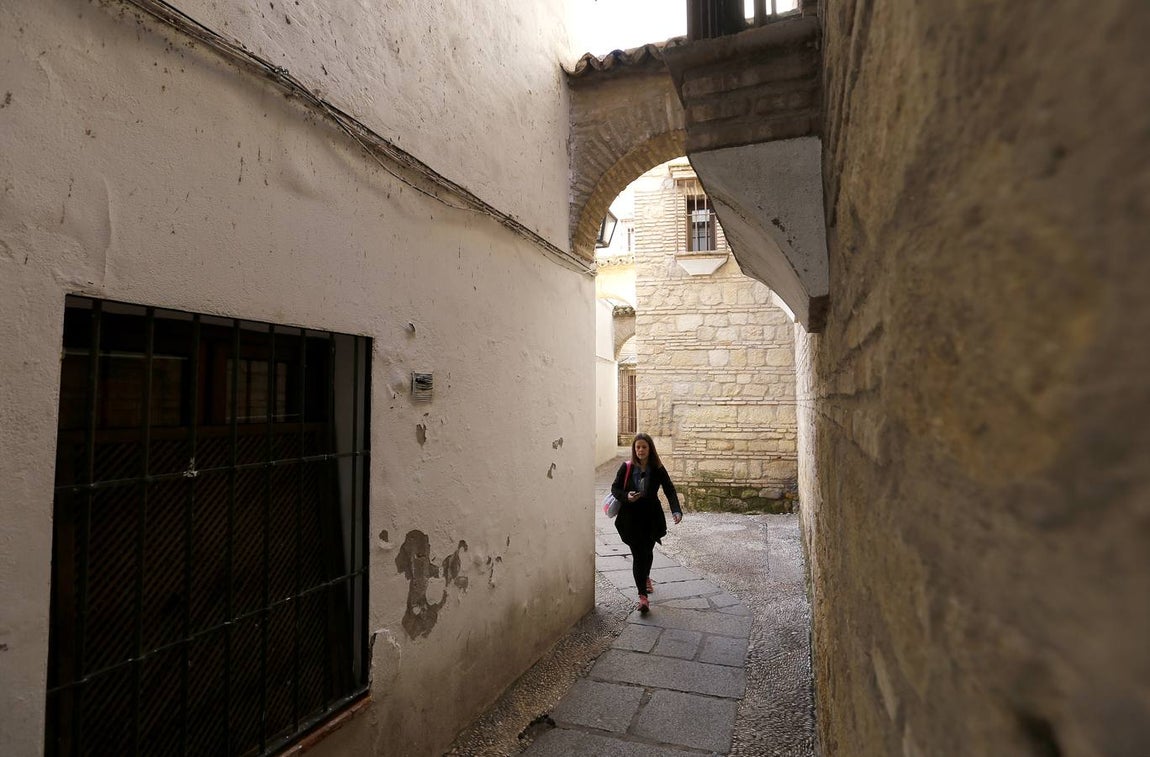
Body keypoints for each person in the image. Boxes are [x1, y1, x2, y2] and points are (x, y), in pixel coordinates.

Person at [611, 432, 682, 614]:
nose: (641, 450)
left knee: (648, 552)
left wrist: (676, 510)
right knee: (638, 555)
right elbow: (615, 488)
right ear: (634, 450)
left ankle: (646, 576)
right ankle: (643, 597)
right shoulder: (626, 467)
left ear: (650, 449)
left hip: (651, 518)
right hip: (631, 518)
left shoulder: (657, 468)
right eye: (638, 447)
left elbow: (669, 489)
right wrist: (626, 495)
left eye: (644, 446)